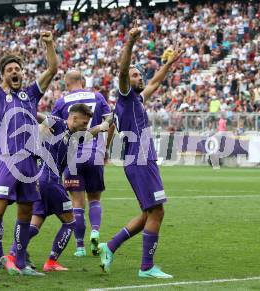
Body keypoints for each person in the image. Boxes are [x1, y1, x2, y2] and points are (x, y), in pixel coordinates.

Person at [0, 27, 58, 276]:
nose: (14, 72)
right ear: (3, 76)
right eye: (9, 70)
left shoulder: (31, 94)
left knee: (25, 212)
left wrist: (49, 44)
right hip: (6, 162)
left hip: (29, 161)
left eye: (17, 69)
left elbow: (52, 69)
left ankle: (19, 262)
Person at [98, 23, 182, 278]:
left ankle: (110, 247)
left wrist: (169, 63)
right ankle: (146, 267)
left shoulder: (136, 99)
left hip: (142, 159)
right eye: (135, 75)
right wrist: (130, 41)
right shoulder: (124, 96)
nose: (138, 77)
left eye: (138, 75)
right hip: (140, 159)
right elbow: (123, 69)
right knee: (157, 211)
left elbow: (155, 83)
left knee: (149, 212)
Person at [3, 104, 113, 273]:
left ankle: (11, 255)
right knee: (70, 222)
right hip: (49, 181)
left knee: (35, 224)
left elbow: (91, 132)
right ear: (74, 118)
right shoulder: (58, 123)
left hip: (41, 181)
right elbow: (37, 115)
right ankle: (51, 262)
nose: (85, 126)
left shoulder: (75, 135)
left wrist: (105, 124)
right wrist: (23, 111)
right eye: (84, 122)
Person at [52, 70, 113, 257]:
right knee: (94, 199)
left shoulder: (62, 102)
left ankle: (80, 247)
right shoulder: (97, 97)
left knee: (77, 201)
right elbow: (110, 122)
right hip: (95, 154)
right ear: (82, 81)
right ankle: (95, 231)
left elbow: (54, 128)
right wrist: (106, 149)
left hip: (72, 157)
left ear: (67, 82)